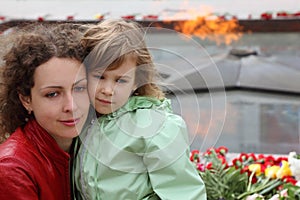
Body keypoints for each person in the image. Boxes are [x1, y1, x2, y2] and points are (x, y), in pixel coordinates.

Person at [74, 19, 207, 200]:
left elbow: (183, 193)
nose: (107, 89)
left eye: (120, 80)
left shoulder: (154, 127)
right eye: (99, 76)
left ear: (137, 81)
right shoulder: (82, 120)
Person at [0, 23, 90, 200]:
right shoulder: (12, 169)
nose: (71, 106)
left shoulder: (94, 146)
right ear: (26, 100)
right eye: (53, 94)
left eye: (79, 89)